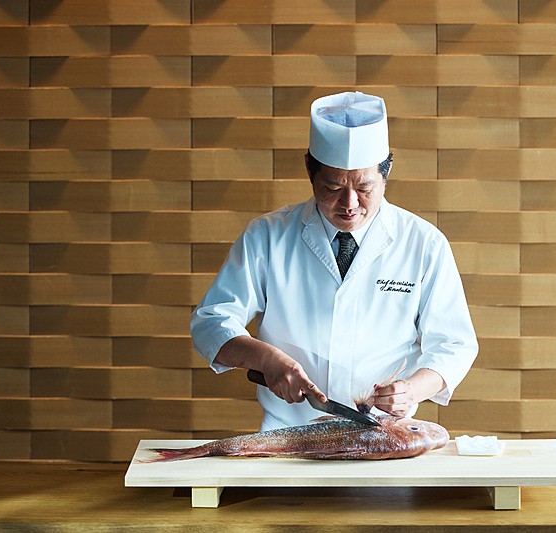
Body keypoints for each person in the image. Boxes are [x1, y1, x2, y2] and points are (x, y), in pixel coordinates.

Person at [190, 91, 478, 431]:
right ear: (310, 172)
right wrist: (266, 359)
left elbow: (454, 344)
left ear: (386, 173)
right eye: (333, 187)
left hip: (383, 435)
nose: (350, 204)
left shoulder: (424, 243)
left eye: (365, 187)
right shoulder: (266, 236)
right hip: (286, 434)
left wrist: (413, 390)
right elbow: (211, 322)